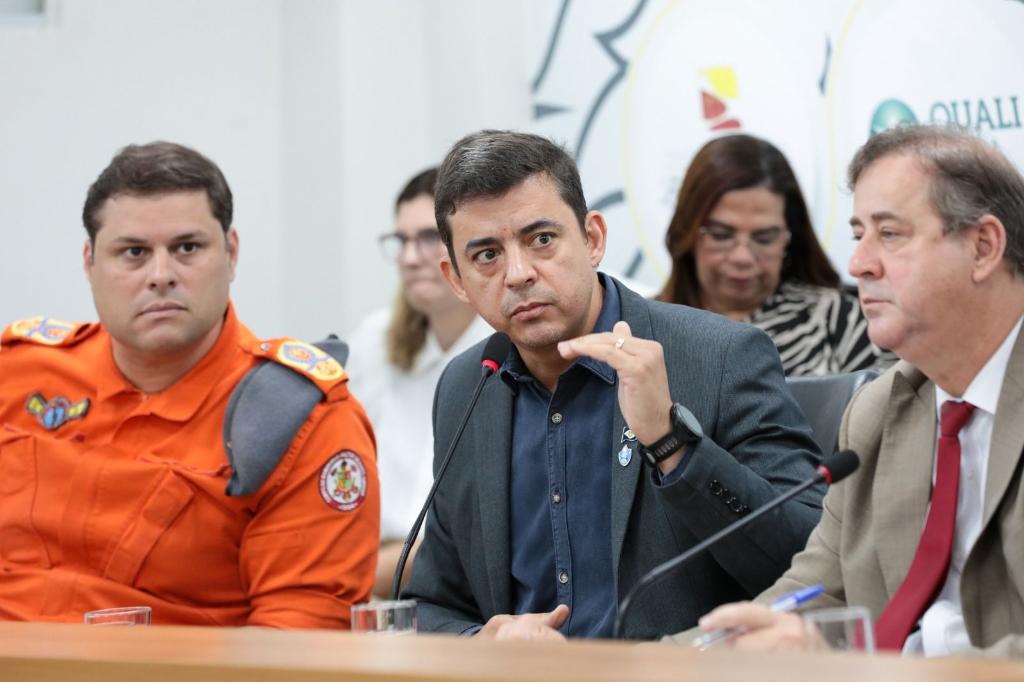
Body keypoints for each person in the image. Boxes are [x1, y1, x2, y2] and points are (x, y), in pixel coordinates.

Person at [402, 130, 826, 640]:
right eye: (487, 255)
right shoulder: (467, 387)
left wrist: (673, 443)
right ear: (456, 279)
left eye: (542, 239)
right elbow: (434, 605)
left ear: (593, 239)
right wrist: (483, 643)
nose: (517, 274)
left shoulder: (719, 357)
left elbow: (810, 564)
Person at [0, 142, 379, 627]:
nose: (161, 276)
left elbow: (297, 639)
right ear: (89, 263)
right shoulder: (20, 371)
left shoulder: (300, 420)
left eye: (187, 248)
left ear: (231, 253)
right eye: (134, 252)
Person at [693, 125, 1024, 657]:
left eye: (889, 234)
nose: (858, 264)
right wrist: (642, 663)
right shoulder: (878, 412)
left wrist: (861, 668)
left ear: (983, 247)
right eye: (858, 235)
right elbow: (814, 592)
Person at [346, 168, 491, 597]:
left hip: (462, 588)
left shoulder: (510, 348)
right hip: (376, 574)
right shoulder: (375, 341)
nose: (410, 258)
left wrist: (348, 577)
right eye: (401, 240)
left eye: (428, 238)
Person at [658, 134, 891, 376]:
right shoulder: (644, 327)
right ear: (688, 233)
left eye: (764, 238)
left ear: (789, 237)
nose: (742, 257)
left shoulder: (838, 320)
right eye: (721, 235)